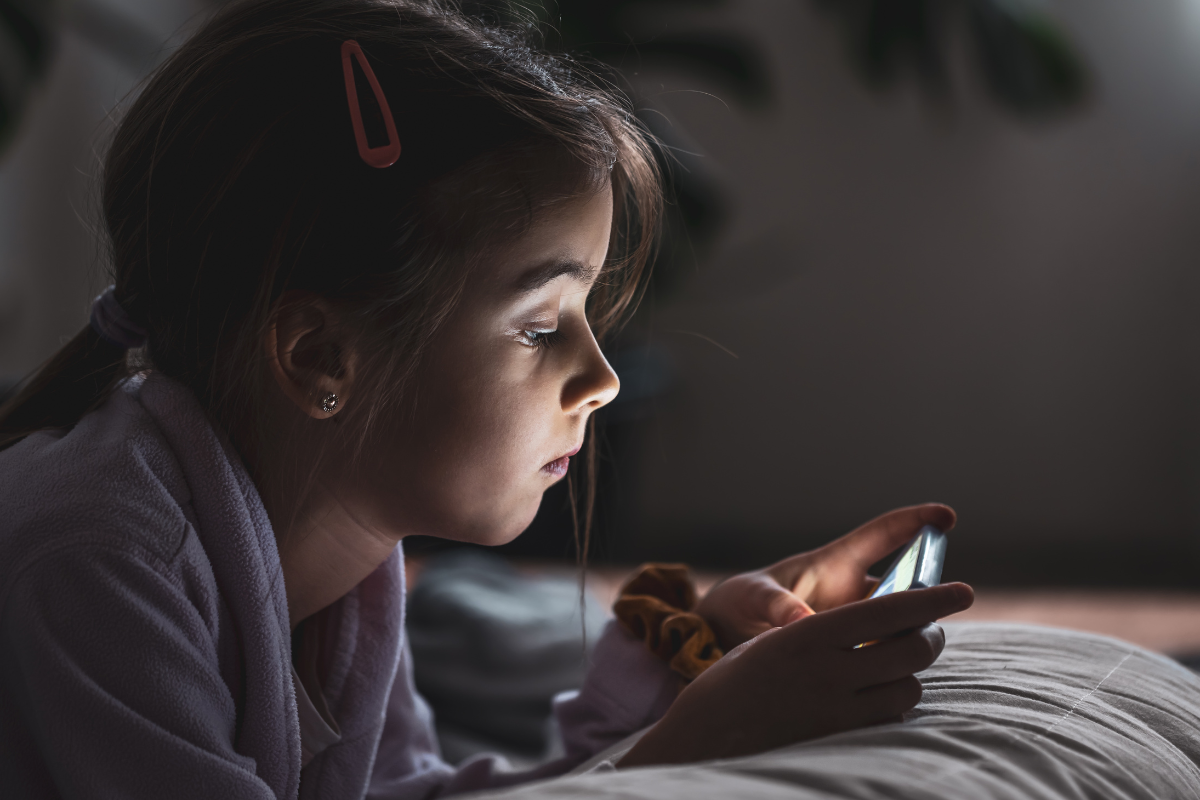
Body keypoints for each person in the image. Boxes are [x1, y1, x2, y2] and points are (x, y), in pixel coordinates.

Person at [0, 1, 974, 797]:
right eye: (540, 325)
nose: (604, 378)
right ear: (317, 355)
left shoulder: (349, 555)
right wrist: (690, 751)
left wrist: (698, 661)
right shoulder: (99, 555)